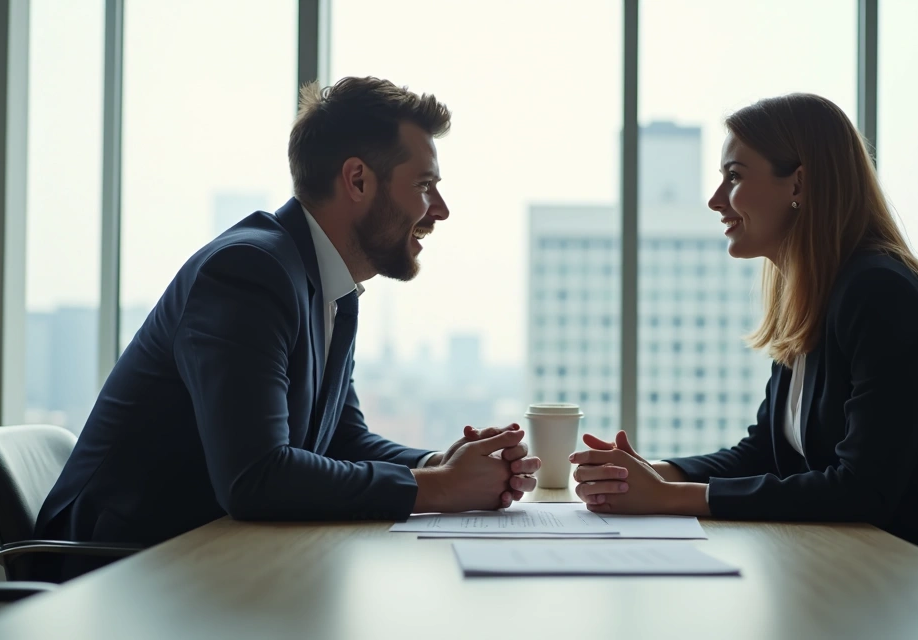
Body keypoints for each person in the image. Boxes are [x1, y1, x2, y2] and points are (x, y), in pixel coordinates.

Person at [34, 77, 541, 580]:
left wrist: (438, 463)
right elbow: (256, 478)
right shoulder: (248, 271)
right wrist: (441, 489)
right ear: (358, 180)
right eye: (424, 185)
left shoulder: (328, 285)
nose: (441, 210)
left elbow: (341, 440)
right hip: (113, 574)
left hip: (202, 564)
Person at [569, 93, 918, 561]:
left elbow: (862, 489)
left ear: (799, 183)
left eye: (734, 176)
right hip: (874, 569)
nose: (714, 201)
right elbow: (763, 454)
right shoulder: (816, 294)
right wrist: (651, 472)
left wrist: (670, 498)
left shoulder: (880, 294)